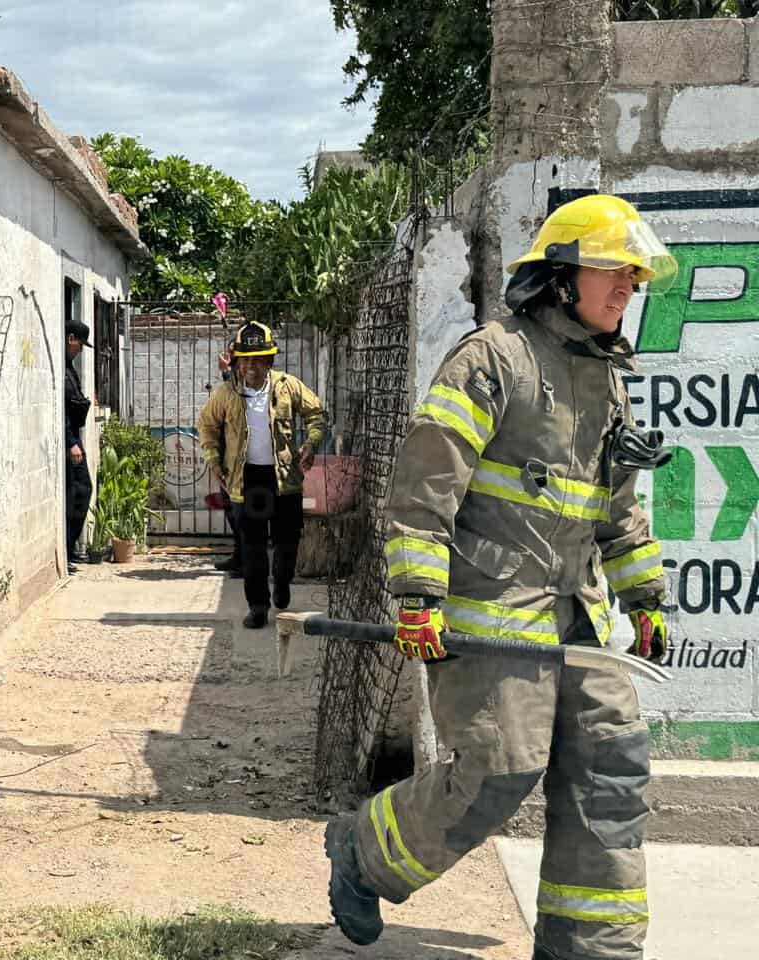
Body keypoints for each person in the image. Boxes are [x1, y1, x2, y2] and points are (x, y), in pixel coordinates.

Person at [323, 195, 676, 960]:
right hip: (489, 612)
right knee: (498, 771)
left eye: (634, 277)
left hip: (577, 619)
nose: (626, 288)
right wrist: (418, 595)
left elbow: (614, 507)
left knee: (612, 768)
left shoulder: (608, 380)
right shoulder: (494, 358)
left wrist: (644, 596)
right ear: (559, 276)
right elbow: (424, 486)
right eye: (612, 271)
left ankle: (592, 950)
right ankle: (361, 850)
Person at [198, 320, 326, 629]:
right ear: (237, 362)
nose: (253, 366)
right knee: (253, 548)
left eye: (259, 359)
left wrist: (311, 443)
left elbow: (316, 413)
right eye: (247, 360)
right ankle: (257, 607)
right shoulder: (225, 394)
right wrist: (214, 459)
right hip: (247, 482)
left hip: (284, 480)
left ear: (269, 360)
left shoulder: (287, 386)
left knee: (287, 543)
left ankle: (282, 583)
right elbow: (207, 427)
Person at [211, 341, 243, 578]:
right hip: (226, 448)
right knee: (230, 505)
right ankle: (239, 556)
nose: (230, 355)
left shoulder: (248, 375)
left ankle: (246, 561)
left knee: (240, 508)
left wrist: (226, 371)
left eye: (233, 351)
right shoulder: (234, 376)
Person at [64, 318, 93, 571]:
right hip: (70, 441)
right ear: (71, 339)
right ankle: (67, 548)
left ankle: (69, 549)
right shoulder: (63, 370)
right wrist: (71, 443)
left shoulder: (69, 367)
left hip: (74, 438)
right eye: (80, 344)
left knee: (80, 492)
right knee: (80, 491)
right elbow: (61, 411)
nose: (80, 349)